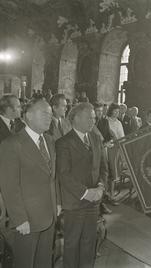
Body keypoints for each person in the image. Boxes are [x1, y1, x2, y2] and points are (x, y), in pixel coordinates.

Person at [0, 98, 61, 268]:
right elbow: (9, 186)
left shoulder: (49, 140)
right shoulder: (12, 144)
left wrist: (57, 202)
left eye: (50, 114)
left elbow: (52, 176)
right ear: (28, 116)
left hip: (49, 215)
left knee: (44, 262)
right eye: (44, 113)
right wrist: (19, 219)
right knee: (25, 263)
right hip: (27, 219)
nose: (49, 117)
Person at [56, 103, 108, 268]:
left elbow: (103, 168)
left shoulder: (95, 138)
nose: (93, 120)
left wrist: (100, 187)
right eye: (89, 117)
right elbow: (64, 174)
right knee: (72, 243)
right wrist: (86, 192)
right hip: (75, 202)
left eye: (94, 117)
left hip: (94, 202)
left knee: (89, 242)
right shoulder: (64, 142)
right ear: (76, 118)